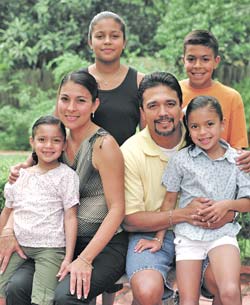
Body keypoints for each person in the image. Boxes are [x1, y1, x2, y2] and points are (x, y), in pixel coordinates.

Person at [0, 70, 128, 305]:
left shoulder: (104, 145)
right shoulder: (54, 143)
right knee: (16, 287)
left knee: (65, 297)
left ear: (94, 104)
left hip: (103, 245)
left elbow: (117, 209)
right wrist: (8, 230)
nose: (71, 107)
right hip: (57, 243)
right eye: (65, 99)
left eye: (81, 100)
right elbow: (24, 189)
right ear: (57, 100)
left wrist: (85, 259)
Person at [120, 72, 245, 305]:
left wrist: (229, 211)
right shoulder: (130, 152)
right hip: (155, 230)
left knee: (225, 285)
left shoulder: (200, 133)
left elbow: (231, 169)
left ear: (181, 107)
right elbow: (130, 220)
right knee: (147, 289)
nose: (163, 112)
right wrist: (182, 215)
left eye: (170, 104)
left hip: (208, 228)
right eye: (153, 106)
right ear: (142, 112)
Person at [0, 115, 79, 305]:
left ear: (64, 145)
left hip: (50, 248)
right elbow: (8, 211)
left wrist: (68, 257)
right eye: (42, 140)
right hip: (18, 245)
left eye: (56, 140)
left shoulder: (67, 176)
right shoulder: (20, 176)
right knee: (1, 288)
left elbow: (70, 217)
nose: (48, 145)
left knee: (42, 299)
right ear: (32, 142)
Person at [83, 11, 145, 145]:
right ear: (90, 42)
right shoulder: (77, 81)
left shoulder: (140, 82)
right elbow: (57, 128)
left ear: (124, 42)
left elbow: (147, 135)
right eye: (100, 36)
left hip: (127, 162)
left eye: (114, 36)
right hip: (83, 163)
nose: (107, 41)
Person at [179, 29, 248, 150]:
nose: (197, 65)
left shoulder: (232, 97)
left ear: (216, 62)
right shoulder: (173, 94)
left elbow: (238, 148)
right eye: (191, 59)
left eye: (205, 59)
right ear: (183, 60)